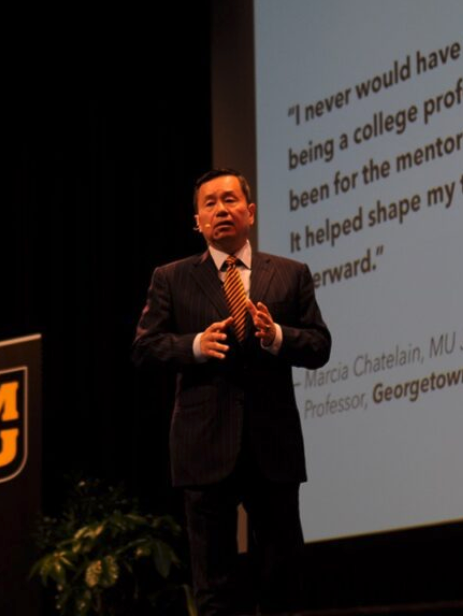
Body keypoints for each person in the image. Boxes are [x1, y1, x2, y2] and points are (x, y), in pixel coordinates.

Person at [132, 168, 331, 615]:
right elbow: (144, 348)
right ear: (197, 221)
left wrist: (277, 336)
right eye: (210, 204)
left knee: (283, 579)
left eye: (230, 200)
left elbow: (319, 345)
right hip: (203, 448)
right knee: (215, 586)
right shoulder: (172, 278)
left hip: (272, 446)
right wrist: (197, 345)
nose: (221, 210)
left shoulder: (290, 274)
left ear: (251, 211)